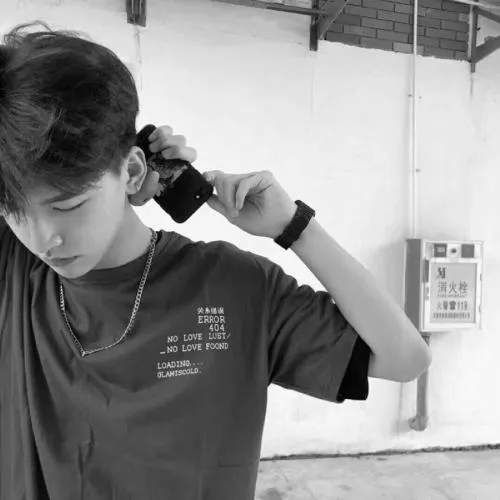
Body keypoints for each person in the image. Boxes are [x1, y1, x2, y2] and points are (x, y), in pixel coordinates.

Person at [0, 21, 431, 500]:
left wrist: (296, 228)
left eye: (68, 205)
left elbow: (404, 357)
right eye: (14, 211)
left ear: (133, 170)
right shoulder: (16, 268)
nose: (44, 238)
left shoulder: (233, 288)